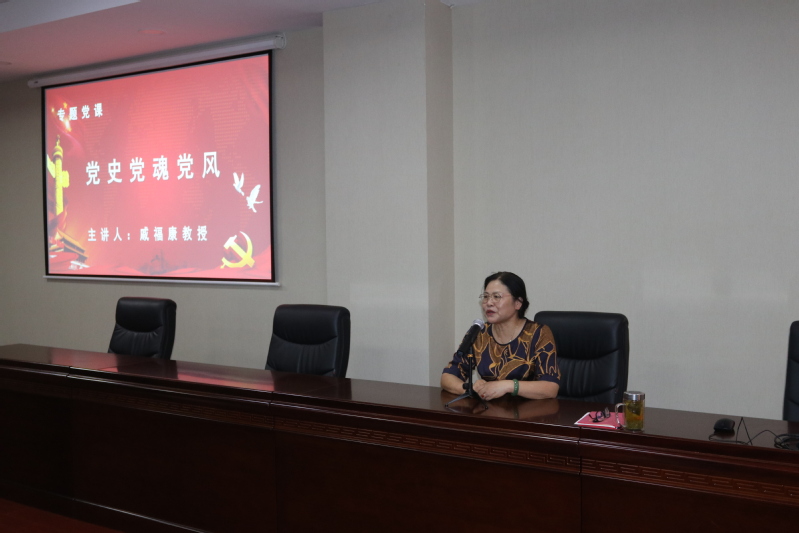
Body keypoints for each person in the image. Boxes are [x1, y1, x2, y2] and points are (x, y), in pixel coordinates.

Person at [441, 271, 560, 401]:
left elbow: (551, 388)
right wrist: (470, 389)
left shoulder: (538, 333)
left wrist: (508, 386)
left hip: (528, 409)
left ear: (518, 303)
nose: (489, 303)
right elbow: (448, 376)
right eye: (486, 297)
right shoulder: (479, 333)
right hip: (489, 408)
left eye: (496, 297)